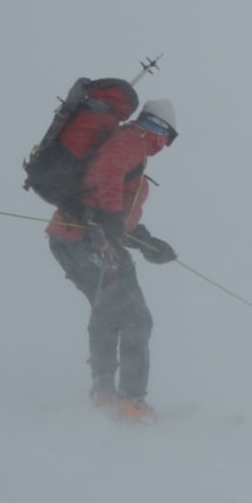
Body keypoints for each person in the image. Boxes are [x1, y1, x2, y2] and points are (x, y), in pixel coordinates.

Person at [47, 99, 180, 423]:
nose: (164, 144)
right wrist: (106, 222)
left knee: (108, 310)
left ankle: (105, 393)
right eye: (168, 137)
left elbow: (116, 212)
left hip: (75, 238)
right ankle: (131, 403)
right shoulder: (131, 140)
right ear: (162, 130)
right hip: (84, 239)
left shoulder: (129, 147)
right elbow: (106, 178)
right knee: (136, 317)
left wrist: (147, 242)